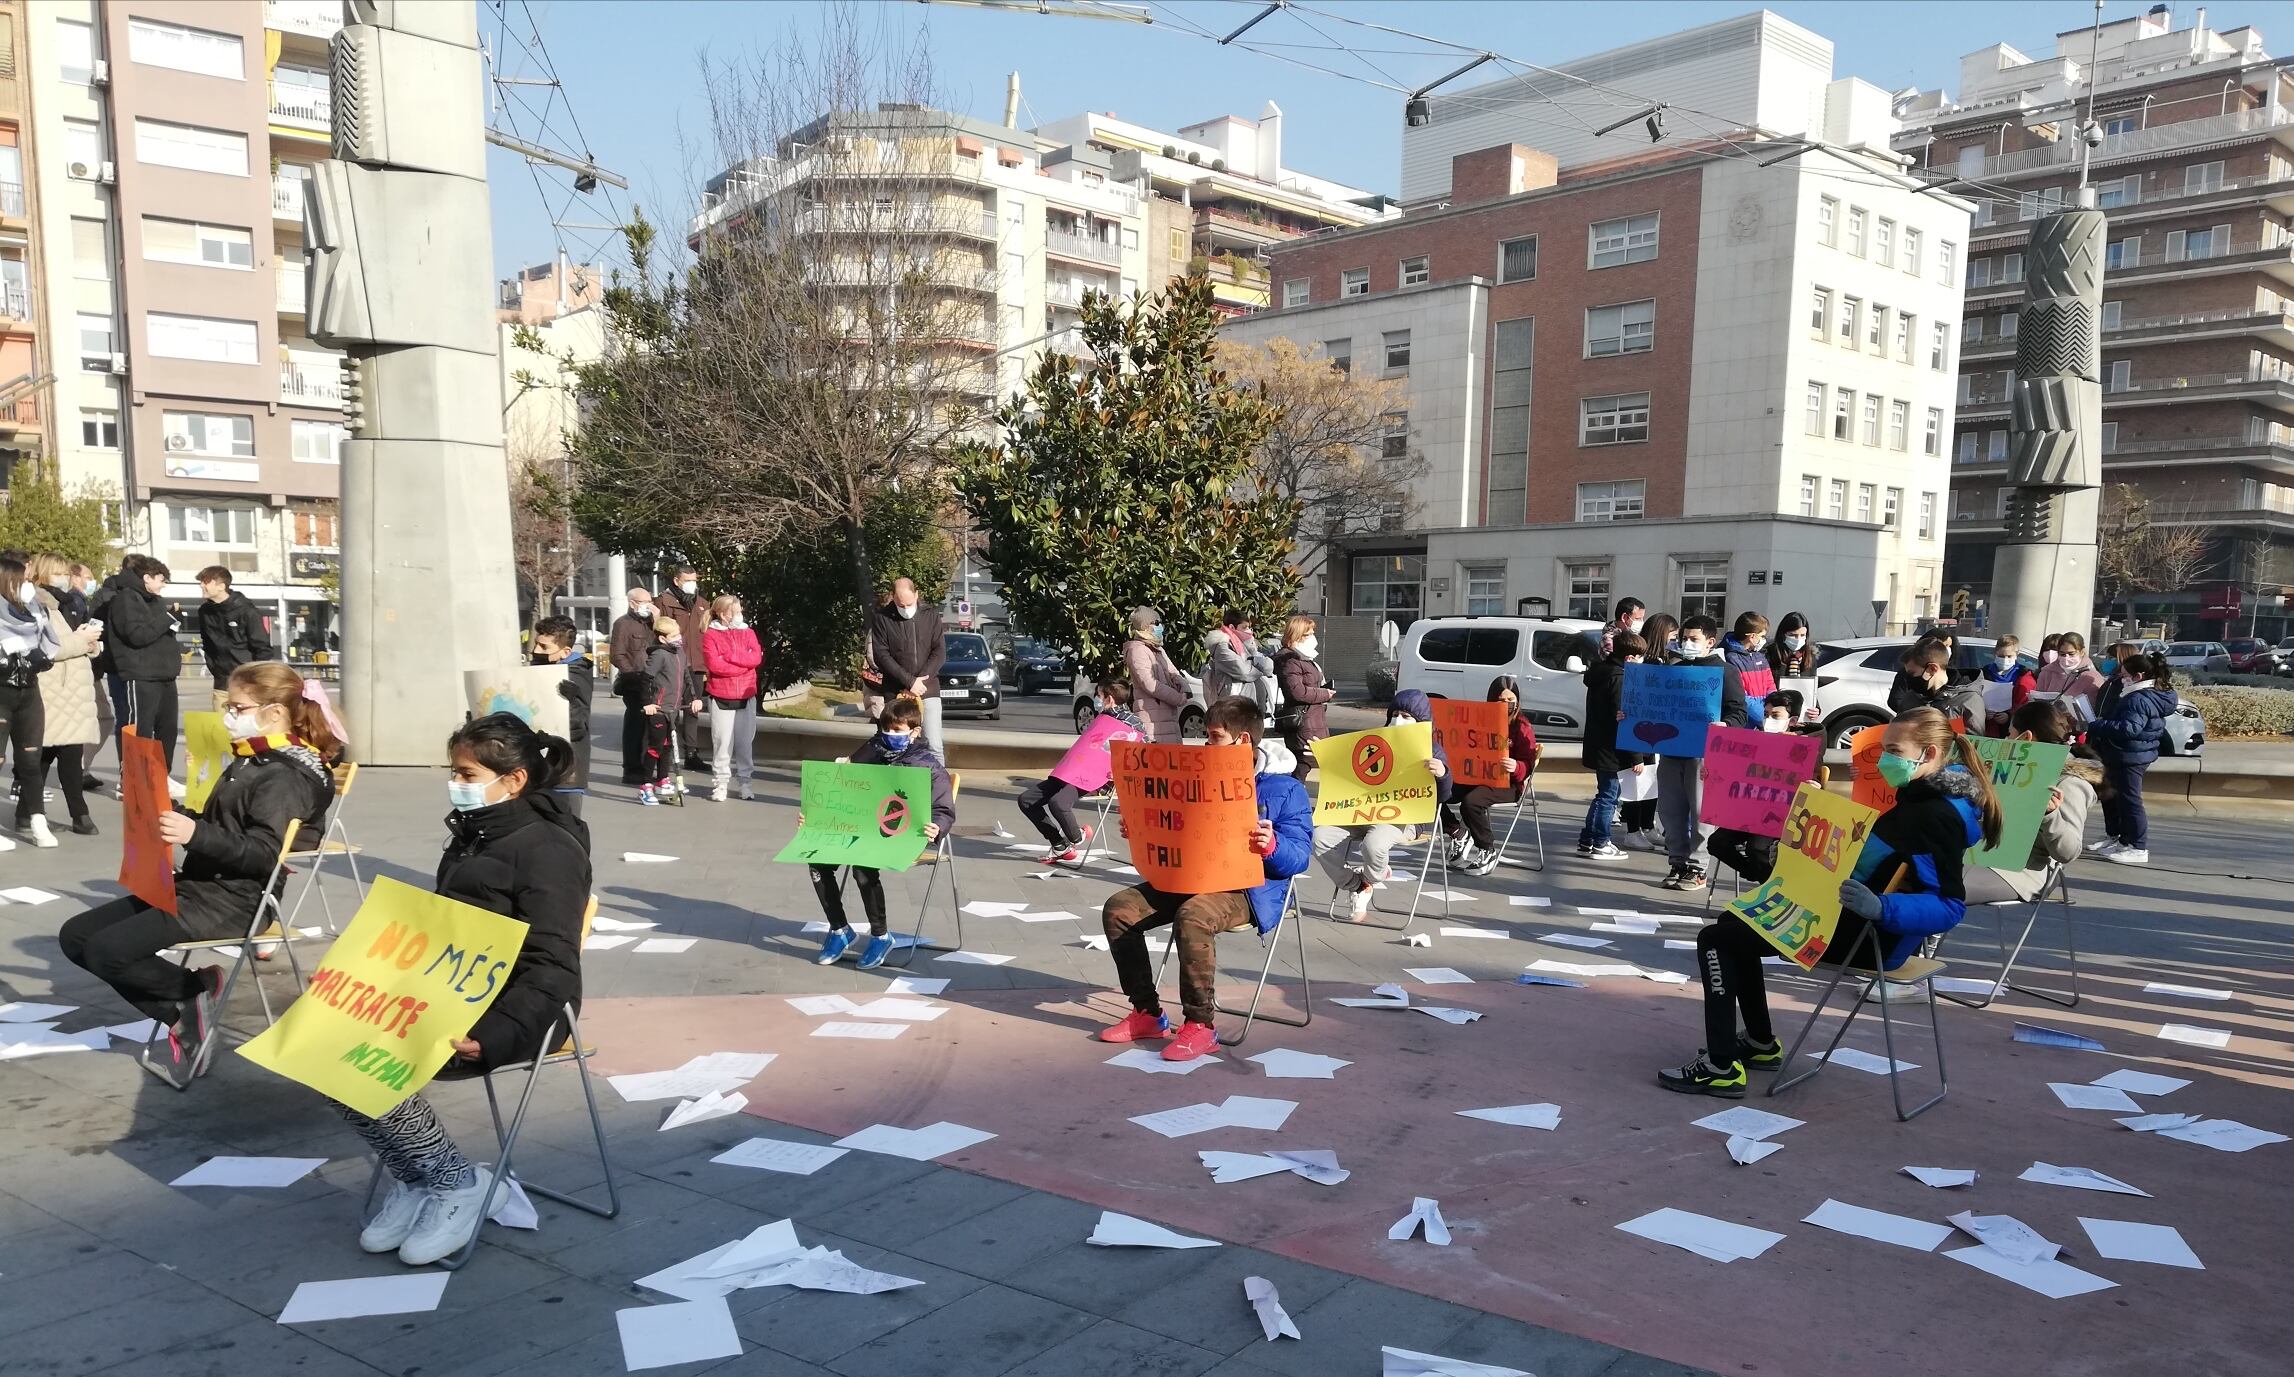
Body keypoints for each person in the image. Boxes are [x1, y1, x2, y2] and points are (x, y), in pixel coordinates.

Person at [343, 712, 590, 1267]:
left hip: (521, 1012)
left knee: (364, 1059)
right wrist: (357, 978)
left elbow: (553, 964)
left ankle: (459, 1185)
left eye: (467, 773)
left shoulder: (548, 849)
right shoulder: (475, 835)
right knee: (325, 1046)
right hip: (451, 993)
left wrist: (496, 1033)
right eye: (454, 771)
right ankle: (420, 1178)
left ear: (514, 780)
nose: (455, 783)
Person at [1659, 706, 2000, 1096]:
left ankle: (1720, 1067)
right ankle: (1759, 1043)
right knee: (1732, 928)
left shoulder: (1935, 814)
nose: (1884, 758)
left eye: (1894, 750)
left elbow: (1950, 905)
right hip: (1852, 921)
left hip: (1870, 937)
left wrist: (1882, 908)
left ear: (1930, 755)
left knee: (1716, 941)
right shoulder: (1924, 797)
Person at [57, 663, 338, 1078]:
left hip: (236, 899)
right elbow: (220, 824)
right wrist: (165, 810)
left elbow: (263, 853)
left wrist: (192, 832)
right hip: (202, 884)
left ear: (274, 713)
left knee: (106, 951)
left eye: (237, 707)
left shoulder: (285, 775)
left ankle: (189, 1001)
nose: (228, 715)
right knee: (76, 936)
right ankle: (187, 1008)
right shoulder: (254, 758)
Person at [1097, 695, 1312, 1062]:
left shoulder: (1284, 789)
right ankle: (1147, 1013)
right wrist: (1142, 827)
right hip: (1190, 876)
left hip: (1248, 889)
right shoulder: (1195, 773)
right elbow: (1174, 824)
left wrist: (1271, 844)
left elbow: (1300, 857)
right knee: (1119, 909)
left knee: (1193, 916)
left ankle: (1201, 1025)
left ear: (1243, 741)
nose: (1206, 745)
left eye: (1214, 737)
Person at [811, 696, 955, 969]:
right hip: (863, 828)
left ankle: (880, 935)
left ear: (915, 732)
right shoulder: (873, 749)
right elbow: (843, 789)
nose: (890, 735)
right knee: (818, 860)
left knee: (862, 866)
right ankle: (840, 930)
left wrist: (937, 826)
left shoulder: (928, 766)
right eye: (886, 729)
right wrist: (815, 814)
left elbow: (944, 808)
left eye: (898, 731)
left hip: (903, 834)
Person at [1314, 689, 1450, 920]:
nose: (1399, 719)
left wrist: (1442, 773)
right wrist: (1327, 756)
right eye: (1396, 713)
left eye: (1407, 716)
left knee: (1373, 845)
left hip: (1403, 818)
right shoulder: (1374, 740)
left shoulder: (1432, 750)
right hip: (1359, 813)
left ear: (1421, 721)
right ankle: (1358, 885)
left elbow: (1444, 797)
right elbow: (1351, 771)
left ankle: (1372, 878)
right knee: (1318, 839)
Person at [1965, 699, 2096, 904]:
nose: (2006, 739)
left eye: (2009, 734)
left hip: (2023, 871)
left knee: (1940, 887)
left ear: (2026, 738)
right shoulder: (2009, 771)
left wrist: (2049, 815)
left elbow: (2069, 852)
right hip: (1981, 853)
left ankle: (1927, 928)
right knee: (1910, 873)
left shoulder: (2070, 783)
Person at [1658, 615, 1749, 892]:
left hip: (1704, 754)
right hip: (1672, 751)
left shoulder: (1725, 672)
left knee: (1701, 812)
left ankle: (1698, 867)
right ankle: (1677, 861)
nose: (1687, 643)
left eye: (1693, 639)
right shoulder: (1675, 669)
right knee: (1670, 810)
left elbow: (1739, 712)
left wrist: (1726, 724)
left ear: (1710, 642)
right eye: (1683, 638)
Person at [1018, 677, 1141, 863]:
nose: (1096, 700)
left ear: (1108, 699)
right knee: (1026, 800)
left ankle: (1077, 837)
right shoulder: (1102, 717)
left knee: (1058, 803)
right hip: (1073, 771)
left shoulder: (1133, 724)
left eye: (1098, 695)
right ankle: (1059, 845)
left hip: (1098, 778)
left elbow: (1139, 755)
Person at [27, 553, 102, 840]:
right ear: (45, 573)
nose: (65, 577)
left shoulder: (61, 603)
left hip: (70, 689)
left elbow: (68, 642)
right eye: (58, 572)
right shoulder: (38, 603)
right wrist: (81, 642)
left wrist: (90, 643)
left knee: (69, 754)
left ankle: (78, 813)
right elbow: (48, 649)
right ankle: (32, 812)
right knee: (43, 755)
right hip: (52, 687)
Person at [1703, 689, 1809, 886]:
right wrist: (1711, 773)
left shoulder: (1806, 745)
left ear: (1792, 720)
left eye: (1776, 716)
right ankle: (1758, 876)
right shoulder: (1754, 739)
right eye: (1766, 715)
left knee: (1758, 848)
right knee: (1717, 842)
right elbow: (1732, 772)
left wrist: (1813, 783)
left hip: (1781, 816)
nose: (1769, 720)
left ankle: (1769, 889)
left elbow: (1813, 776)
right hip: (1749, 811)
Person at [93, 555, 183, 773]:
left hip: (165, 673)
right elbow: (137, 635)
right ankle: (135, 777)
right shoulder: (125, 599)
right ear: (146, 578)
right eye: (161, 579)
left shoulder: (156, 600)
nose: (163, 585)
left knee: (167, 730)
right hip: (141, 673)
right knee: (140, 729)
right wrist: (168, 619)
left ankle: (162, 775)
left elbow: (158, 631)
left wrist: (170, 621)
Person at [2087, 651, 2174, 867]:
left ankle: (2137, 845)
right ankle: (2125, 841)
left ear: (2138, 676)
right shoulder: (2147, 694)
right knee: (2123, 799)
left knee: (2131, 800)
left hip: (2132, 754)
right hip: (2129, 753)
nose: (2121, 678)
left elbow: (2130, 729)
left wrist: (2097, 725)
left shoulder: (2137, 698)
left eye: (2125, 674)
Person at [1448, 675, 1538, 876]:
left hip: (1509, 785)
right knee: (1438, 791)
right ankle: (1457, 832)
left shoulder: (1522, 727)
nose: (1505, 704)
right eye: (1500, 700)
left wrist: (1516, 767)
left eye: (1509, 700)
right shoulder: (1479, 721)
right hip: (1475, 776)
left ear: (1517, 702)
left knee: (1471, 803)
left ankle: (1487, 849)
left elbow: (1528, 764)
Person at [2, 556, 62, 846]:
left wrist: (37, 657)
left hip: (28, 690)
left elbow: (50, 644)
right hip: (2, 691)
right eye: (22, 579)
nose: (28, 584)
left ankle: (38, 821)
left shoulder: (35, 610)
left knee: (31, 758)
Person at [1578, 631, 1648, 860]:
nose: (1641, 662)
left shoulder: (1601, 672)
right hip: (1613, 749)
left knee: (1602, 795)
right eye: (1639, 657)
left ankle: (1588, 840)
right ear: (1630, 658)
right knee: (1608, 797)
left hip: (1599, 744)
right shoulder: (1620, 679)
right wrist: (1636, 757)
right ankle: (1600, 842)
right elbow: (1624, 720)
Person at [863, 578, 947, 760]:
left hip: (927, 688)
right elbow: (882, 656)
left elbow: (939, 651)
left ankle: (938, 786)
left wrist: (920, 682)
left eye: (909, 603)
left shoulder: (930, 615)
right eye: (901, 604)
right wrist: (909, 682)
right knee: (894, 744)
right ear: (893, 597)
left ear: (917, 595)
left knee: (933, 743)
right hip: (895, 690)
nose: (906, 608)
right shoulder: (882, 618)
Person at [699, 594, 761, 803]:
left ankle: (745, 782)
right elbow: (715, 666)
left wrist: (731, 657)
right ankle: (721, 783)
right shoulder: (711, 635)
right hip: (721, 695)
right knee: (722, 741)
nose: (738, 615)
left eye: (739, 610)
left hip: (746, 694)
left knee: (745, 743)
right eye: (733, 612)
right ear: (722, 613)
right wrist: (742, 667)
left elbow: (756, 658)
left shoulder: (748, 632)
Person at [529, 616, 592, 817]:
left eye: (544, 647)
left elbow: (578, 725)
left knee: (566, 828)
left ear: (565, 652)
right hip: (539, 766)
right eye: (536, 644)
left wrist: (571, 703)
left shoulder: (574, 675)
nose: (536, 651)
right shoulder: (542, 669)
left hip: (565, 767)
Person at [193, 567, 277, 712]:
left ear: (221, 586)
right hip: (221, 683)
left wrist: (252, 678)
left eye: (206, 582)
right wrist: (215, 667)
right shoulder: (204, 612)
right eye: (201, 582)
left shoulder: (247, 611)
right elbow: (207, 642)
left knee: (246, 729)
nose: (201, 585)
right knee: (220, 729)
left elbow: (262, 648)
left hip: (246, 684)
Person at [637, 616, 698, 806]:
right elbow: (645, 679)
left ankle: (662, 780)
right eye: (674, 635)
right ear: (662, 638)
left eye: (678, 633)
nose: (678, 638)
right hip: (658, 708)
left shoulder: (680, 653)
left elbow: (687, 677)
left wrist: (694, 698)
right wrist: (647, 703)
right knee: (655, 746)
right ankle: (645, 785)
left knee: (668, 746)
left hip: (673, 708)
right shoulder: (659, 655)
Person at [656, 567, 711, 771]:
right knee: (670, 710)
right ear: (677, 581)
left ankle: (691, 753)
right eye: (688, 580)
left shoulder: (702, 604)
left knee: (693, 710)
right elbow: (658, 631)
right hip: (672, 665)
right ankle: (667, 754)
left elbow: (705, 635)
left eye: (694, 580)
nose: (692, 584)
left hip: (695, 666)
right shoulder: (664, 602)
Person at [1273, 614, 1333, 783]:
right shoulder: (1290, 660)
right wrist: (1324, 694)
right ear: (1296, 635)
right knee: (1305, 760)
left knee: (1306, 761)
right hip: (1303, 720)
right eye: (1308, 634)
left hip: (1313, 718)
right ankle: (1292, 794)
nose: (1313, 638)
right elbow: (1297, 692)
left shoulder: (1304, 658)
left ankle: (1294, 793)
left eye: (1313, 633)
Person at [608, 586, 658, 786]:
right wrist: (632, 674)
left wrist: (657, 618)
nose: (648, 605)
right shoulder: (623, 624)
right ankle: (631, 769)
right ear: (632, 603)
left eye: (650, 602)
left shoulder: (652, 623)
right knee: (635, 726)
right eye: (644, 602)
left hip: (654, 681)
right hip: (634, 682)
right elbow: (617, 654)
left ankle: (647, 768)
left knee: (652, 727)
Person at [1121, 606, 1188, 745]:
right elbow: (1149, 684)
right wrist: (1177, 698)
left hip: (1167, 716)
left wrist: (1184, 687)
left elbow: (1173, 671)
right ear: (1145, 626)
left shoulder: (1157, 648)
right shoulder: (1137, 650)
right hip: (1151, 717)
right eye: (1156, 623)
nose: (1160, 627)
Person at [1202, 607, 1273, 714]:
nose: (1249, 631)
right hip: (1237, 706)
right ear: (1231, 627)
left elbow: (1269, 667)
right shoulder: (1222, 647)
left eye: (1249, 628)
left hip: (1255, 703)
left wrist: (1251, 653)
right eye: (1244, 627)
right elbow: (1244, 672)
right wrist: (1258, 666)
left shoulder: (1247, 644)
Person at [2031, 630, 2106, 725]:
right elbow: (2038, 698)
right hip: (2049, 725)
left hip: (2078, 728)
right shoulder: (2047, 672)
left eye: (2071, 654)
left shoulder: (2092, 676)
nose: (2066, 658)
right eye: (2062, 654)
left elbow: (2094, 708)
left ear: (2081, 652)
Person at [1976, 634, 2036, 736]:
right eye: (2001, 656)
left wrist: (2009, 715)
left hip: (2011, 729)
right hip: (1986, 727)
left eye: (2009, 656)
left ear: (2017, 655)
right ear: (1995, 653)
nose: (2005, 659)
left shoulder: (2023, 675)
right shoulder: (1985, 672)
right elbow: (1975, 697)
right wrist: (1983, 712)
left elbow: (2026, 705)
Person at [1720, 611, 1775, 718]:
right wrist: (1761, 716)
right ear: (1752, 636)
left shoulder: (1759, 656)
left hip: (1765, 714)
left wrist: (1774, 706)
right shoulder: (1730, 658)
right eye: (1762, 636)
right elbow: (1739, 695)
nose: (1764, 640)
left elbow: (1770, 684)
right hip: (1745, 717)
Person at [1887, 640, 1955, 716]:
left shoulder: (1962, 703)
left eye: (1912, 673)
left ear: (1932, 669)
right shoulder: (1910, 699)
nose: (1908, 678)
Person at [1767, 611, 1817, 681]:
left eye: (1802, 635)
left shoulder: (1809, 657)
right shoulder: (1770, 654)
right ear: (1783, 634)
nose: (1798, 639)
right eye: (1793, 635)